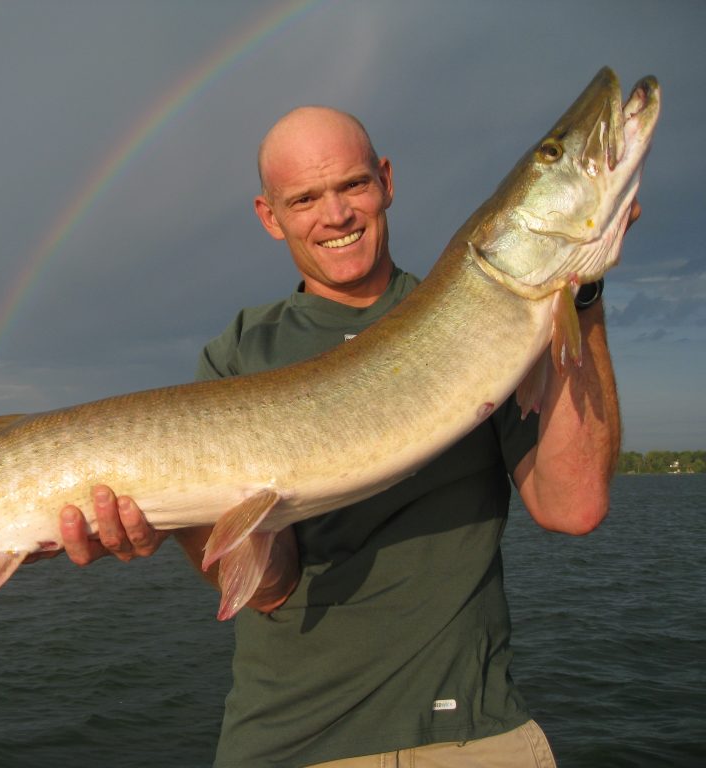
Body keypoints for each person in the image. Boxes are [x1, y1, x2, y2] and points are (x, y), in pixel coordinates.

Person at [54, 106, 627, 767]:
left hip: (472, 735)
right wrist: (174, 516)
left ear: (386, 182)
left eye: (353, 185)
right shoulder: (240, 353)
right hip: (291, 746)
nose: (335, 214)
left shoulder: (484, 323)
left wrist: (583, 294)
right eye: (304, 199)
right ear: (270, 216)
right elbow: (269, 587)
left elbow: (573, 505)